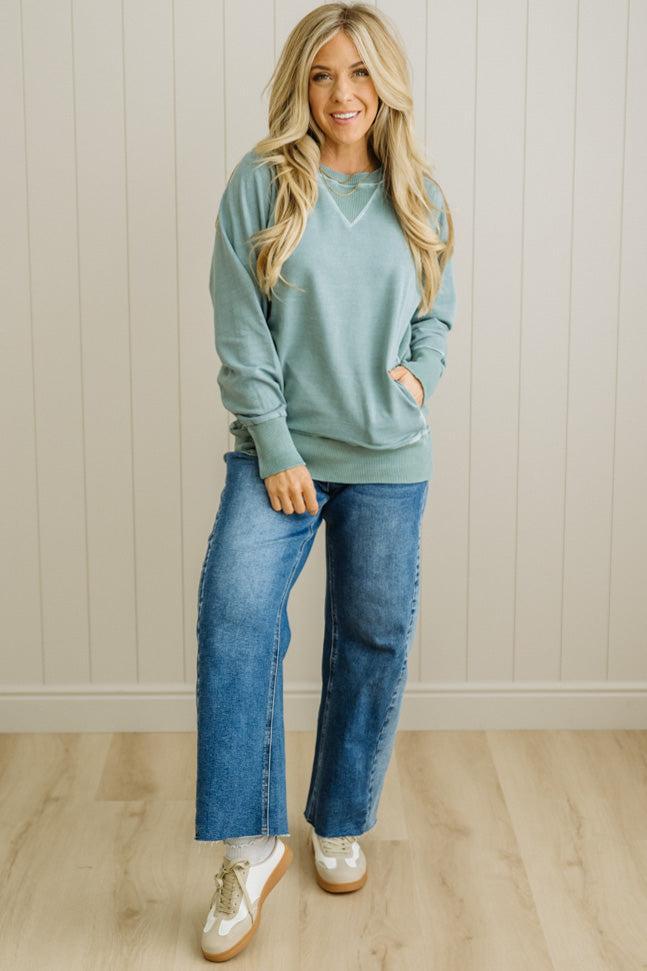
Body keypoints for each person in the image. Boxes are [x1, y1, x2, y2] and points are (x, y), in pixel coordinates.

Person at [195, 1, 456, 961]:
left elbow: (438, 312)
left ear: (384, 82)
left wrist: (417, 373)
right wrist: (273, 443)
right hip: (283, 457)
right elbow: (239, 327)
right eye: (321, 74)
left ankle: (337, 815)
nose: (341, 93)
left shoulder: (418, 190)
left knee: (372, 634)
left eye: (357, 73)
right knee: (236, 613)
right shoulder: (260, 186)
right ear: (299, 85)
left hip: (388, 459)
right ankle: (250, 844)